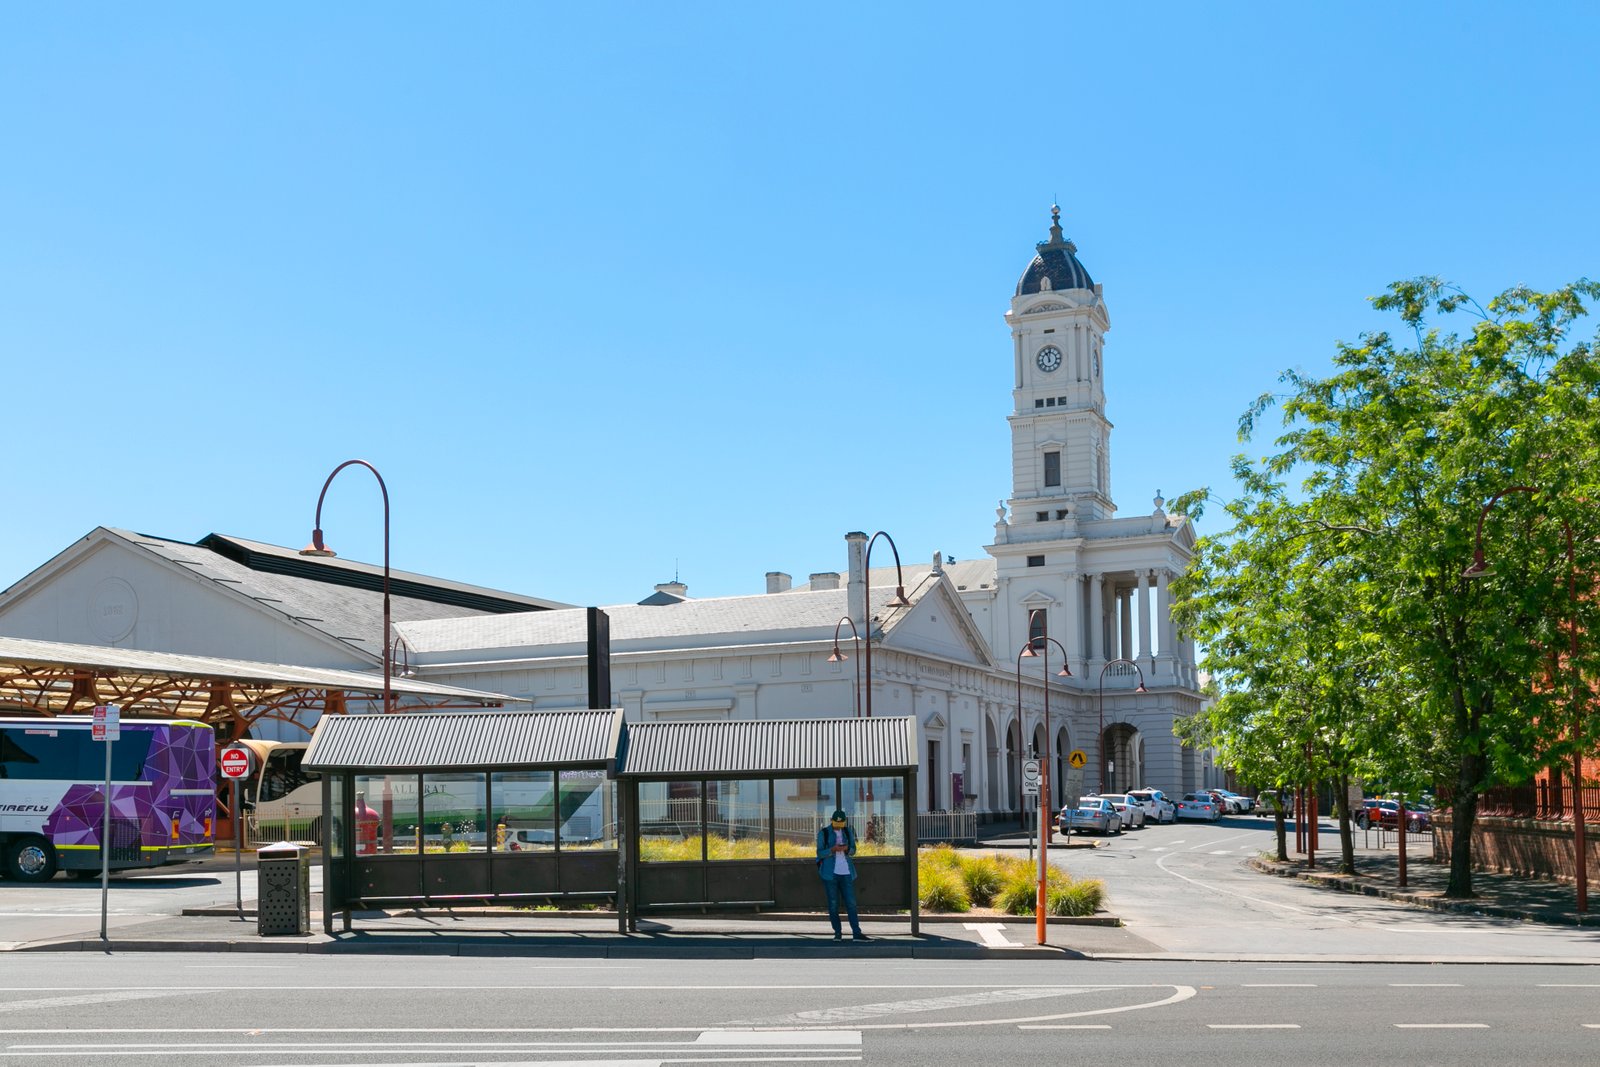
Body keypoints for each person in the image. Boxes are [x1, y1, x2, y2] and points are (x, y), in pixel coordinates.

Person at [816, 808, 870, 942]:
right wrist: (832, 849)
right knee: (833, 904)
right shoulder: (824, 833)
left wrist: (847, 849)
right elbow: (819, 853)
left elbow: (853, 850)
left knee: (851, 903)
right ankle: (837, 933)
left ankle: (856, 933)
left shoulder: (847, 831)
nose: (838, 827)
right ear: (831, 821)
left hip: (846, 872)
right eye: (836, 824)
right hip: (830, 873)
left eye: (841, 824)